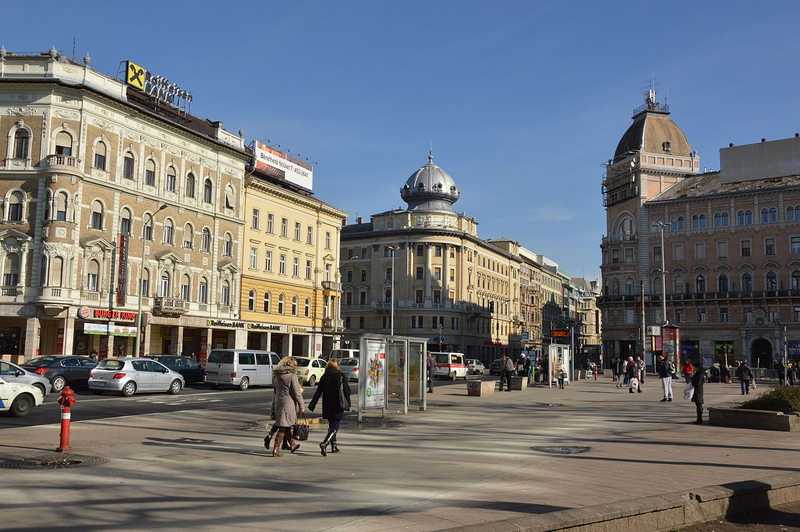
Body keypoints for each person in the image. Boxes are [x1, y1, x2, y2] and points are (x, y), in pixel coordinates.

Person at [309, 358, 351, 457]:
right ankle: (325, 443)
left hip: (327, 404)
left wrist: (312, 404)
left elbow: (318, 392)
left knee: (332, 425)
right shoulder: (340, 376)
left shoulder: (324, 377)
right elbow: (347, 391)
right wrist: (348, 403)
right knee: (335, 426)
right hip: (338, 404)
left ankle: (334, 446)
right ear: (337, 366)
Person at [269, 356, 306, 457]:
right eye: (295, 365)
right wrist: (302, 405)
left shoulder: (276, 375)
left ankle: (293, 444)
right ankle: (276, 449)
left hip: (278, 402)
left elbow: (275, 392)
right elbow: (297, 392)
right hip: (288, 404)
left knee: (286, 425)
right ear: (291, 365)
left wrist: (272, 408)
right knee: (283, 427)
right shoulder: (291, 375)